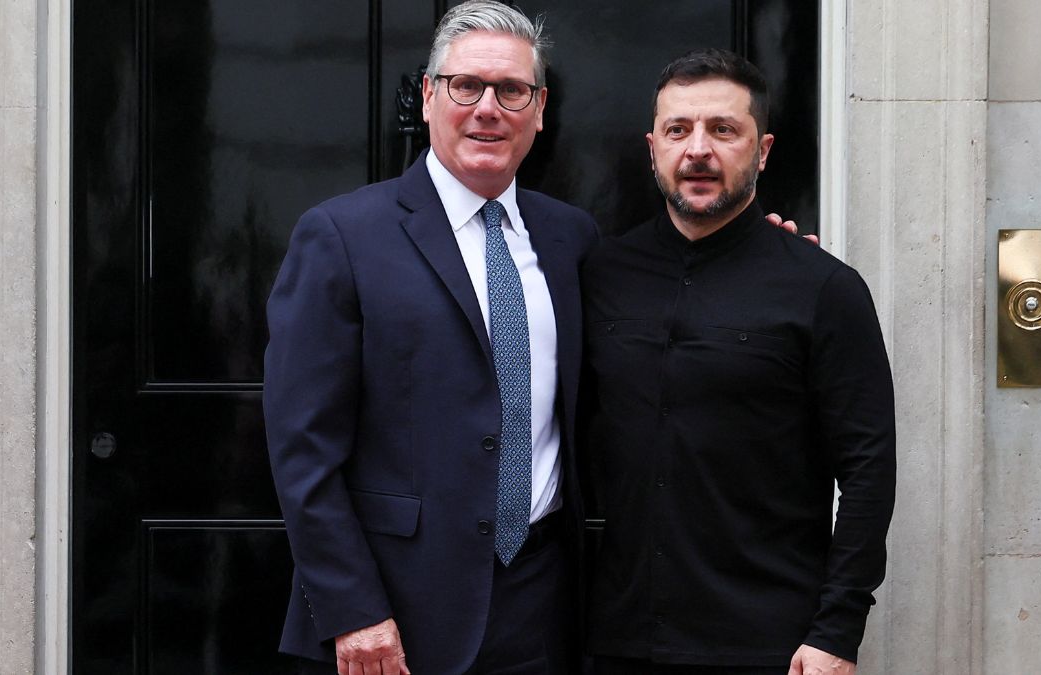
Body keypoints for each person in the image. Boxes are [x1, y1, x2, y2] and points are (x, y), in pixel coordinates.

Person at [262, 2, 598, 673]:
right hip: (394, 612)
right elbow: (302, 449)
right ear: (428, 95)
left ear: (539, 109)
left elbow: (652, 321)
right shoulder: (342, 236)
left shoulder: (572, 239)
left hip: (542, 605)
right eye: (466, 85)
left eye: (512, 90)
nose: (487, 109)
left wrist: (757, 261)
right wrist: (352, 608)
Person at [581, 49, 897, 675]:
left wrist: (837, 631)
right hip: (616, 637)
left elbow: (868, 470)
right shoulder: (599, 274)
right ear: (653, 149)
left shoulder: (823, 288)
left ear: (763, 149)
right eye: (678, 130)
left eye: (723, 130)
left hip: (768, 643)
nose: (698, 150)